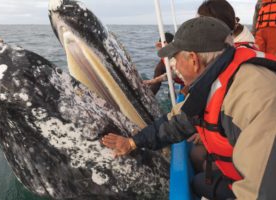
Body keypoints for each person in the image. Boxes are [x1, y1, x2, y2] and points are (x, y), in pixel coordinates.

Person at [102, 17, 276, 199]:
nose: (174, 66)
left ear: (193, 59)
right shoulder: (217, 80)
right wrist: (132, 142)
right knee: (198, 182)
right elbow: (176, 123)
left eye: (176, 59)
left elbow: (264, 191)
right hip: (240, 177)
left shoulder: (255, 99)